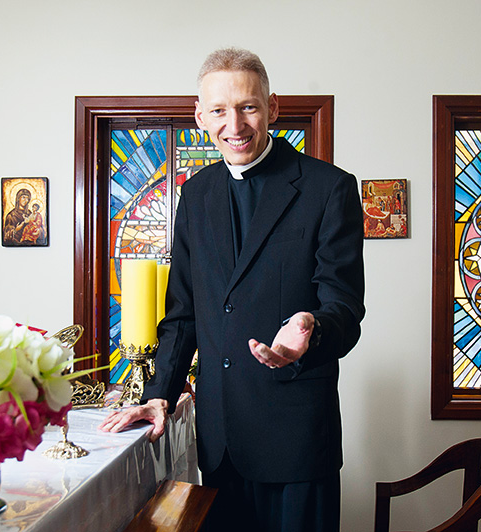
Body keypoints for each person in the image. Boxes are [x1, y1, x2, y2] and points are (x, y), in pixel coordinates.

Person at [99, 47, 365, 532]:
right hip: (220, 441)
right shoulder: (196, 194)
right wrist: (160, 391)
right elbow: (183, 311)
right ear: (201, 116)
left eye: (248, 106)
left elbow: (344, 306)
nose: (234, 124)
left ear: (273, 108)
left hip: (297, 439)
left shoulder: (330, 188)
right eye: (219, 110)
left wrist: (312, 326)